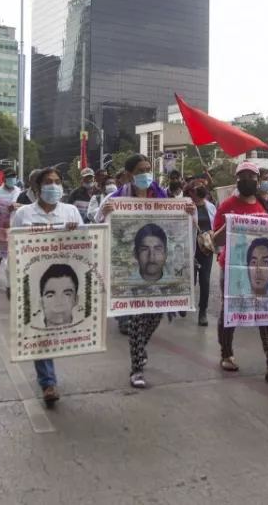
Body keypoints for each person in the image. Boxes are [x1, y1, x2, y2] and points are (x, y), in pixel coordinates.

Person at [97, 154, 194, 388]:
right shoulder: (115, 199)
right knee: (139, 319)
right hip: (130, 272)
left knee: (154, 316)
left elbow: (178, 223)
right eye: (141, 170)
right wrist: (105, 213)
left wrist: (188, 212)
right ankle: (137, 367)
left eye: (148, 169)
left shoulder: (162, 196)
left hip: (159, 275)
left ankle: (140, 347)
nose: (146, 174)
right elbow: (99, 225)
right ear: (130, 175)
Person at [212, 161, 268, 382]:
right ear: (237, 180)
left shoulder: (265, 205)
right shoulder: (227, 205)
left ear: (258, 181)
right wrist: (230, 224)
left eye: (251, 176)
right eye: (242, 176)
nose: (246, 179)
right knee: (230, 310)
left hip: (264, 267)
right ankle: (226, 353)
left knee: (267, 312)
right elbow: (214, 240)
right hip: (234, 268)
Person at [10, 166, 84, 404]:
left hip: (65, 279)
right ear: (37, 188)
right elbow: (13, 247)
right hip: (34, 281)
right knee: (40, 329)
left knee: (61, 329)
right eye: (48, 182)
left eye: (57, 181)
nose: (53, 186)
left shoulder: (71, 212)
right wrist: (12, 280)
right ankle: (48, 383)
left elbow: (86, 243)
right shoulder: (24, 215)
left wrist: (76, 232)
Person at [0, 168, 21, 286]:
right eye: (10, 177)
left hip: (14, 225)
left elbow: (24, 206)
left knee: (12, 252)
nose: (12, 179)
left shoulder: (19, 191)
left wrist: (16, 206)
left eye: (14, 177)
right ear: (4, 179)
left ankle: (12, 281)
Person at [190, 183, 216, 327]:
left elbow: (216, 225)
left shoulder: (210, 207)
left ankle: (202, 312)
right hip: (191, 249)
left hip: (206, 250)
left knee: (205, 281)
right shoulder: (188, 207)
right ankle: (184, 304)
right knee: (190, 280)